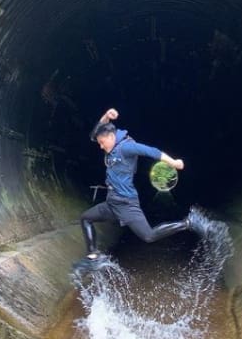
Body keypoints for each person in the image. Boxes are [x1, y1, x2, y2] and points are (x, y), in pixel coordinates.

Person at [80, 108, 192, 261]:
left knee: (149, 236)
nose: (100, 146)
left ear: (111, 137)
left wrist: (174, 162)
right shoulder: (110, 145)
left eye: (102, 142)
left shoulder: (126, 147)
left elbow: (150, 151)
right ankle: (93, 255)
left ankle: (186, 223)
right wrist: (106, 116)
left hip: (126, 203)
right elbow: (96, 132)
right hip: (111, 204)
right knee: (85, 218)